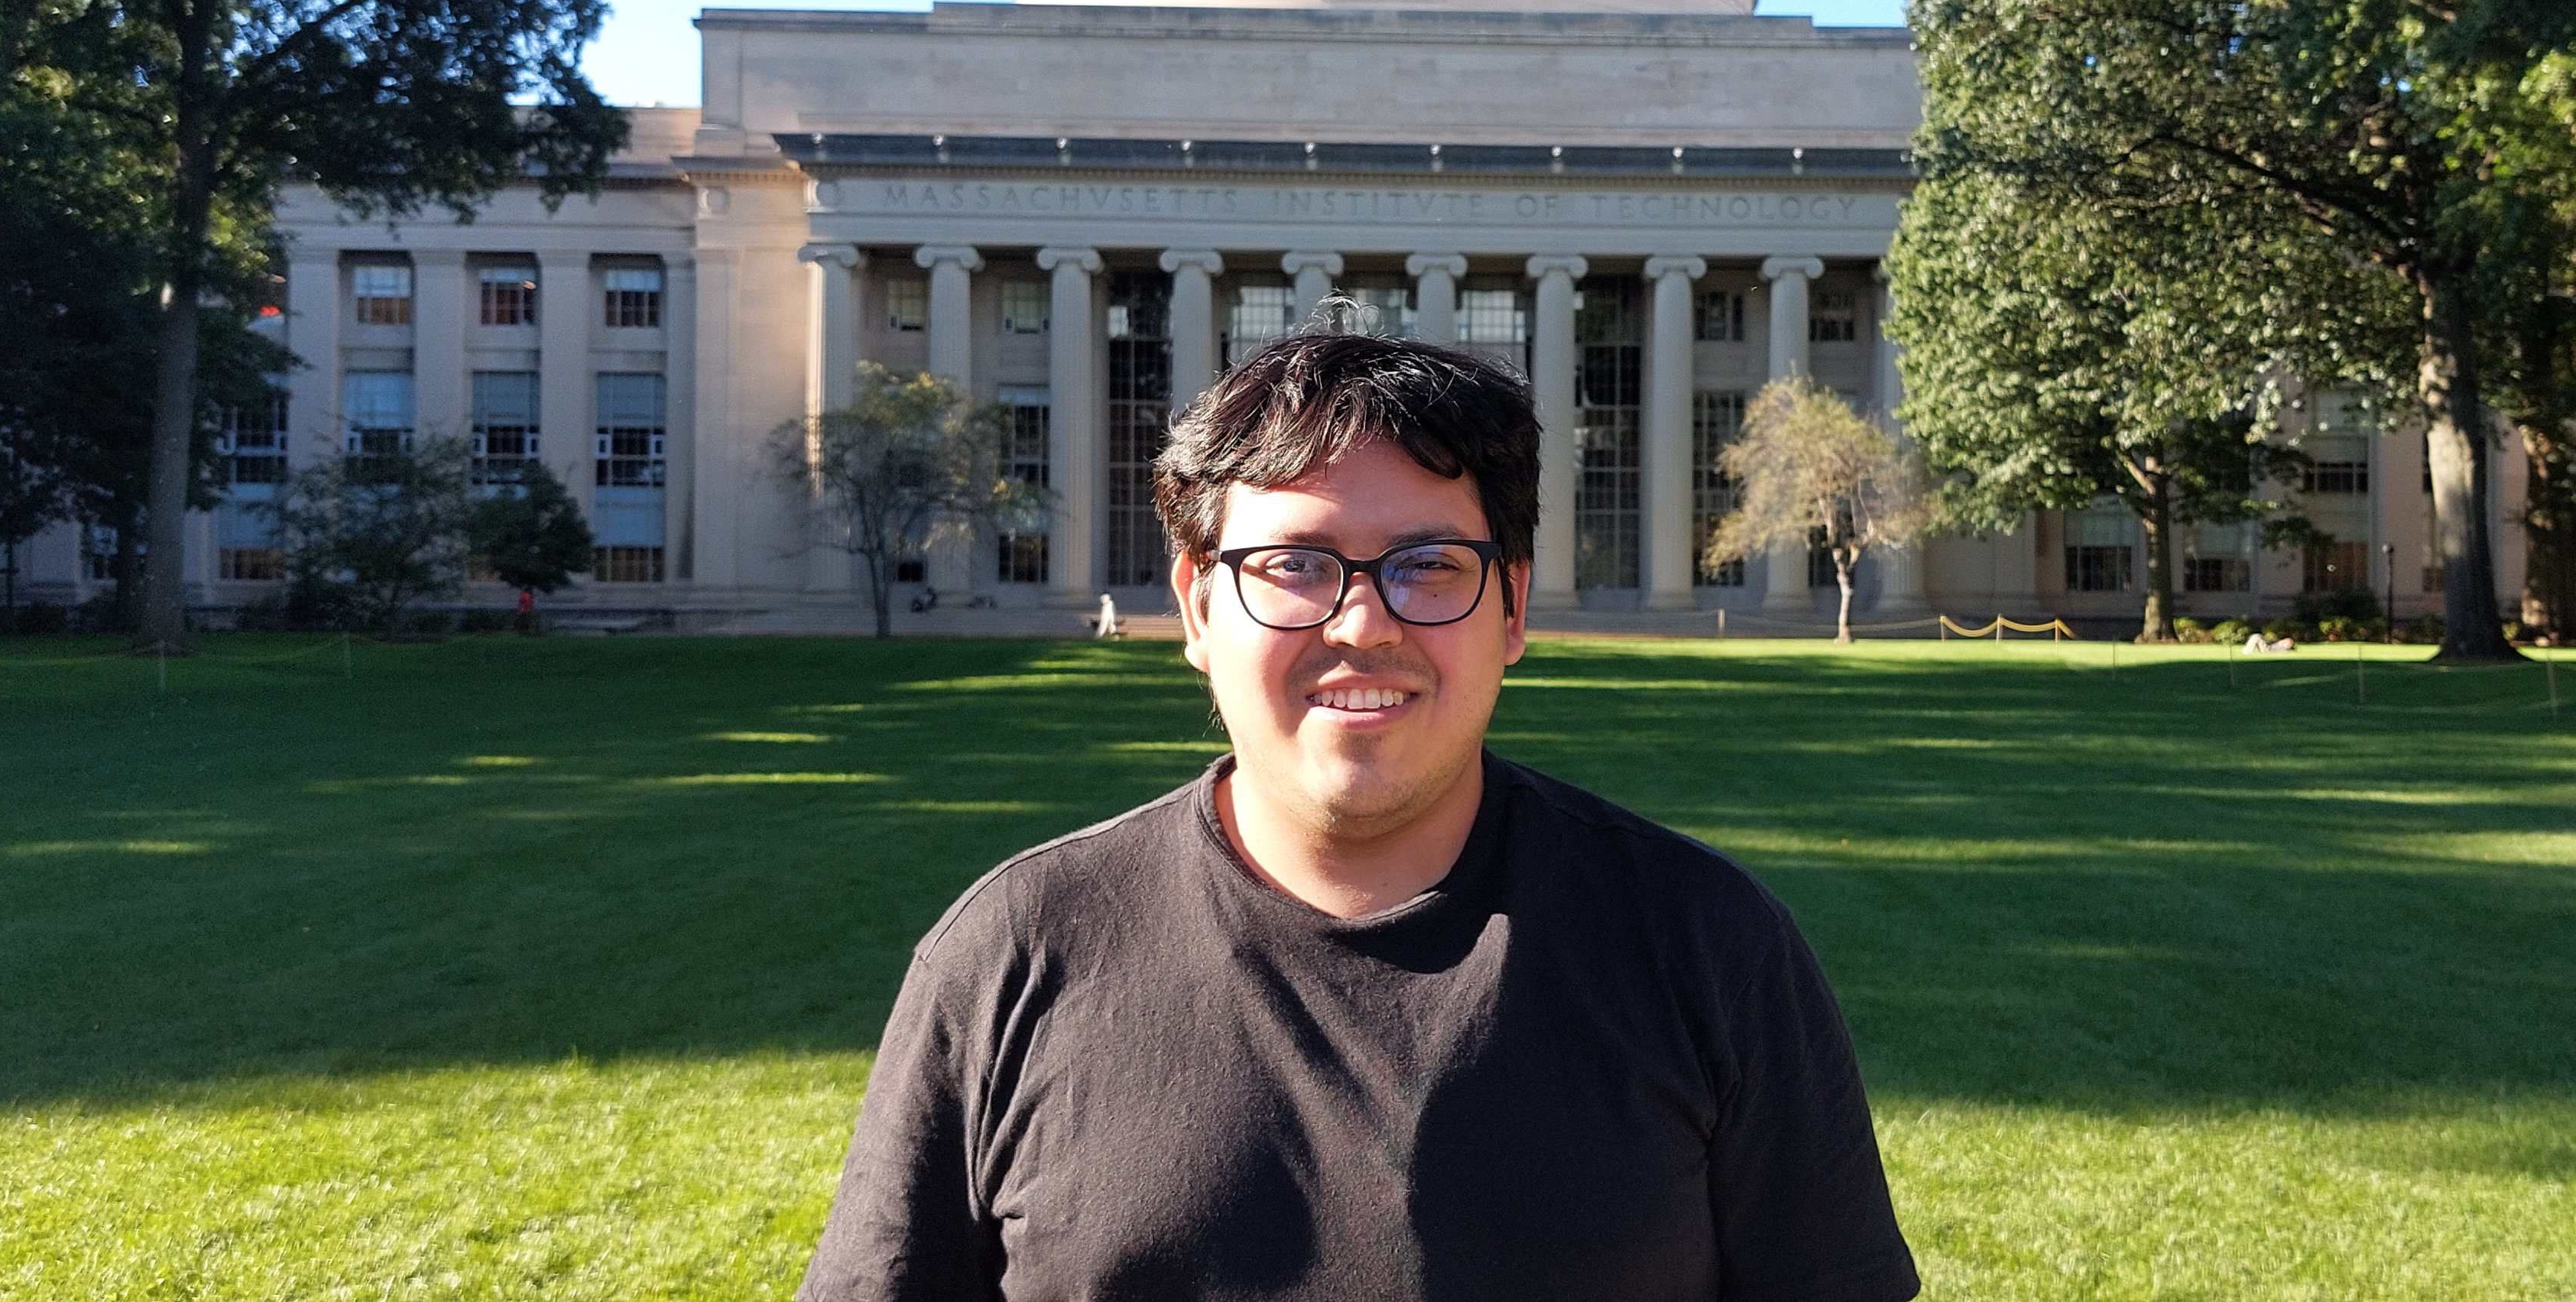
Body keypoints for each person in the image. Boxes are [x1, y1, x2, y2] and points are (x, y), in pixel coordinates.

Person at [800, 330, 1919, 1302]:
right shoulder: (1010, 955)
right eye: (1295, 566)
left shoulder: (1708, 947)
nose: (1363, 625)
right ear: (1197, 605)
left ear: (1514, 606)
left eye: (1428, 566)